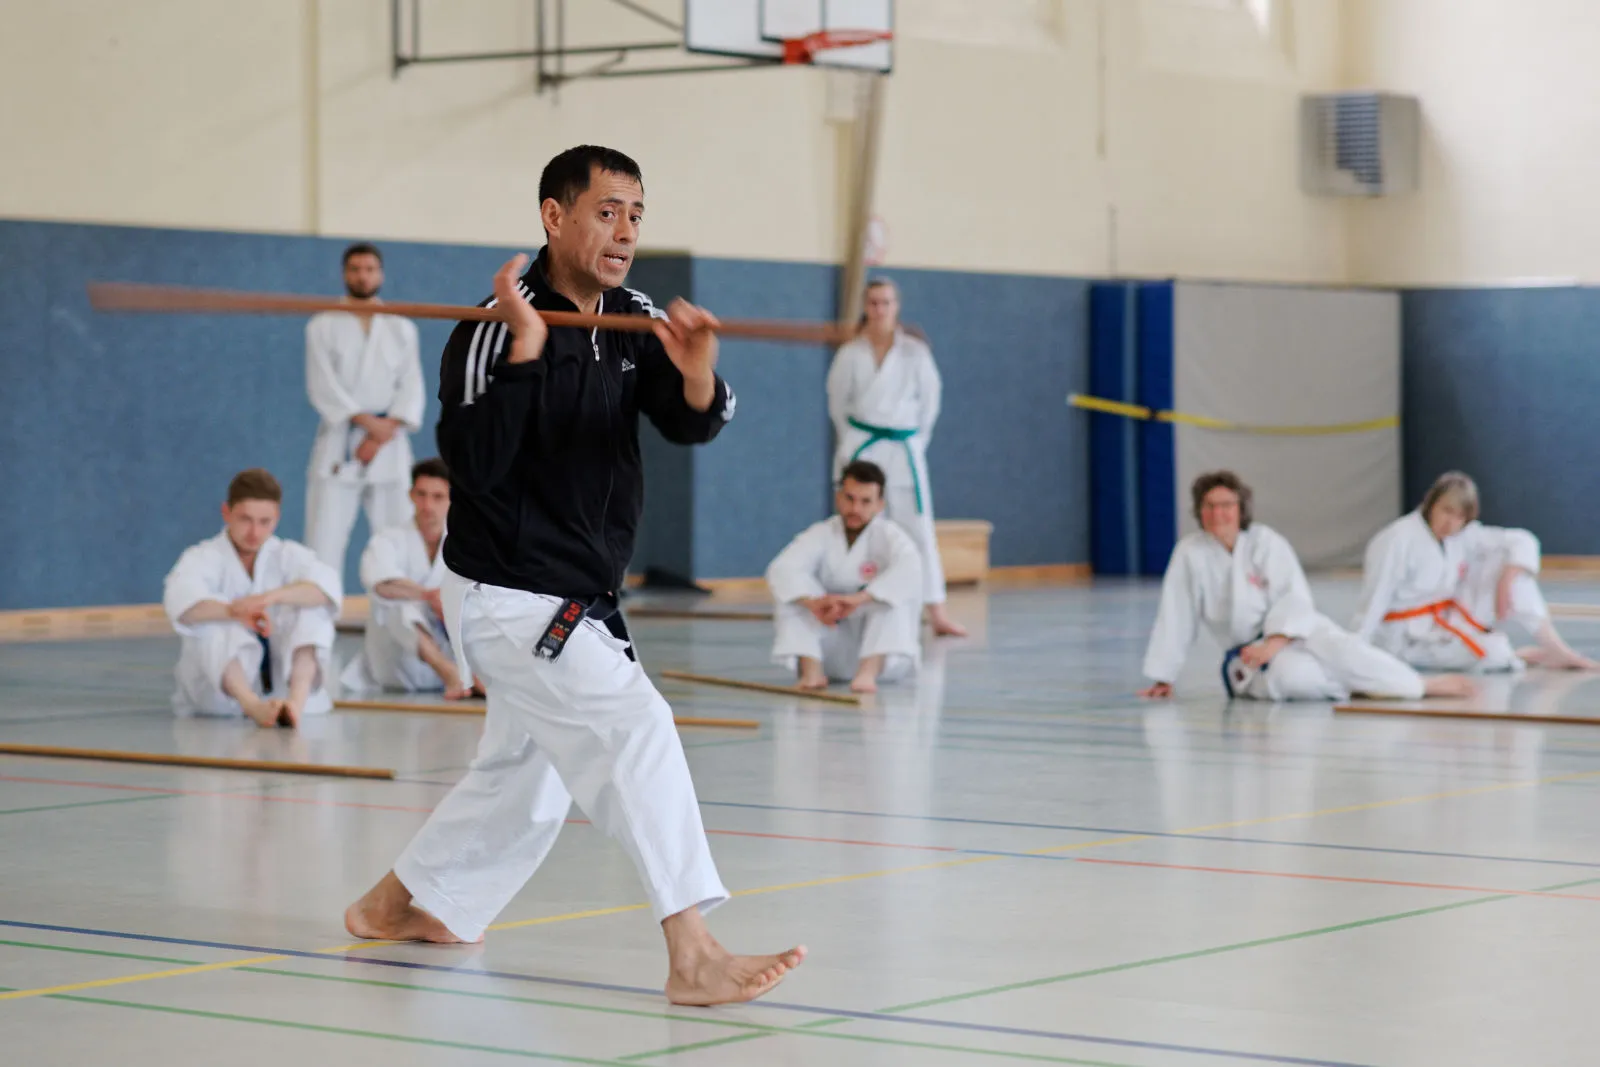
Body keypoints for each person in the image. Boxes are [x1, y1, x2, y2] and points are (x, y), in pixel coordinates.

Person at [344, 145, 804, 1006]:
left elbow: (689, 418)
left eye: (636, 212)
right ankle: (693, 949)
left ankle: (398, 904)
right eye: (606, 210)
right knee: (636, 726)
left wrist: (698, 369)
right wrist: (524, 351)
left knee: (526, 771)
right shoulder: (492, 325)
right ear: (554, 217)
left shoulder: (631, 317)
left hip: (578, 587)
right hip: (506, 589)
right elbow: (472, 465)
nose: (625, 228)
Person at [1139, 471, 1475, 702]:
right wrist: (1163, 676)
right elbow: (1176, 614)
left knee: (1347, 650)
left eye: (1226, 505)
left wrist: (1275, 641)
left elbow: (1294, 597)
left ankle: (1417, 685)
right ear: (1200, 510)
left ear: (1240, 509)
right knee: (1296, 680)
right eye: (1209, 506)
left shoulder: (1266, 542)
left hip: (1296, 630)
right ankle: (1357, 686)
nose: (1218, 513)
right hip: (1245, 654)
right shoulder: (1190, 553)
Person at [826, 278, 966, 637]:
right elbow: (837, 404)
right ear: (865, 306)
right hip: (862, 444)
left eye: (885, 303)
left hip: (904, 448)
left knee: (919, 529)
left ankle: (937, 611)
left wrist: (915, 442)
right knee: (859, 527)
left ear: (896, 306)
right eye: (873, 303)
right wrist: (852, 446)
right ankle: (853, 605)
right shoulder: (850, 353)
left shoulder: (915, 352)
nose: (879, 310)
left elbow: (930, 404)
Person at [1353, 471, 1598, 672]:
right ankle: (1517, 656)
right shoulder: (1397, 539)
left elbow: (1521, 539)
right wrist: (1356, 655)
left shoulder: (1461, 534)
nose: (1451, 523)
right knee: (1495, 652)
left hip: (1444, 619)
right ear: (1430, 503)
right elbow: (1375, 599)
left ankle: (1554, 648)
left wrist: (1506, 579)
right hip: (1405, 637)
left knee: (1512, 569)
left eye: (1460, 516)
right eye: (1446, 511)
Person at [162, 469, 342, 727]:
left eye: (264, 521)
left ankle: (295, 704)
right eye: (245, 519)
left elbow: (326, 589)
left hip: (282, 686)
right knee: (213, 622)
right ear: (227, 513)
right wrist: (234, 612)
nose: (255, 532)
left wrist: (269, 598)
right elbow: (181, 604)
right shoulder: (201, 557)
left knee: (312, 609)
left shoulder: (287, 554)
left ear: (277, 518)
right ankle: (253, 705)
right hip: (217, 696)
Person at [304, 242, 426, 575]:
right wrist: (366, 424)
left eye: (369, 269)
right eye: (355, 269)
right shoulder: (322, 325)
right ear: (345, 274)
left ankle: (397, 624)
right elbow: (321, 385)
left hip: (390, 438)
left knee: (396, 537)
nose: (362, 276)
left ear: (380, 274)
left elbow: (411, 385)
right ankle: (319, 622)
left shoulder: (401, 326)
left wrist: (383, 431)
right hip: (342, 438)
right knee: (324, 536)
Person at [766, 460, 923, 693]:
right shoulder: (821, 533)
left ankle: (867, 674)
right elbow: (782, 569)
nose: (856, 509)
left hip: (882, 658)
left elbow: (910, 571)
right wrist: (814, 602)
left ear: (880, 505)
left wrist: (860, 599)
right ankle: (812, 673)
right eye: (850, 498)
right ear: (839, 497)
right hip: (831, 641)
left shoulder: (892, 537)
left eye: (866, 501)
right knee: (792, 596)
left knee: (891, 599)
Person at [339, 458, 475, 698]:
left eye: (437, 496)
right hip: (396, 666)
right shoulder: (387, 539)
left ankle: (471, 675)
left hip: (450, 649)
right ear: (411, 495)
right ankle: (450, 675)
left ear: (452, 499)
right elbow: (382, 585)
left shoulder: (467, 544)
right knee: (398, 606)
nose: (428, 505)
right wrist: (429, 596)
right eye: (421, 495)